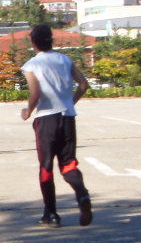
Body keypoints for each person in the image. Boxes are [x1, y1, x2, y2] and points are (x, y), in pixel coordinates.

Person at [20, 23, 93, 228]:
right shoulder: (65, 59)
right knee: (68, 164)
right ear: (51, 40)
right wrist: (69, 103)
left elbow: (35, 94)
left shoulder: (32, 65)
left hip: (46, 120)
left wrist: (27, 112)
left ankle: (51, 214)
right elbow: (83, 85)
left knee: (46, 167)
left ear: (33, 41)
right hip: (67, 117)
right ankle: (83, 195)